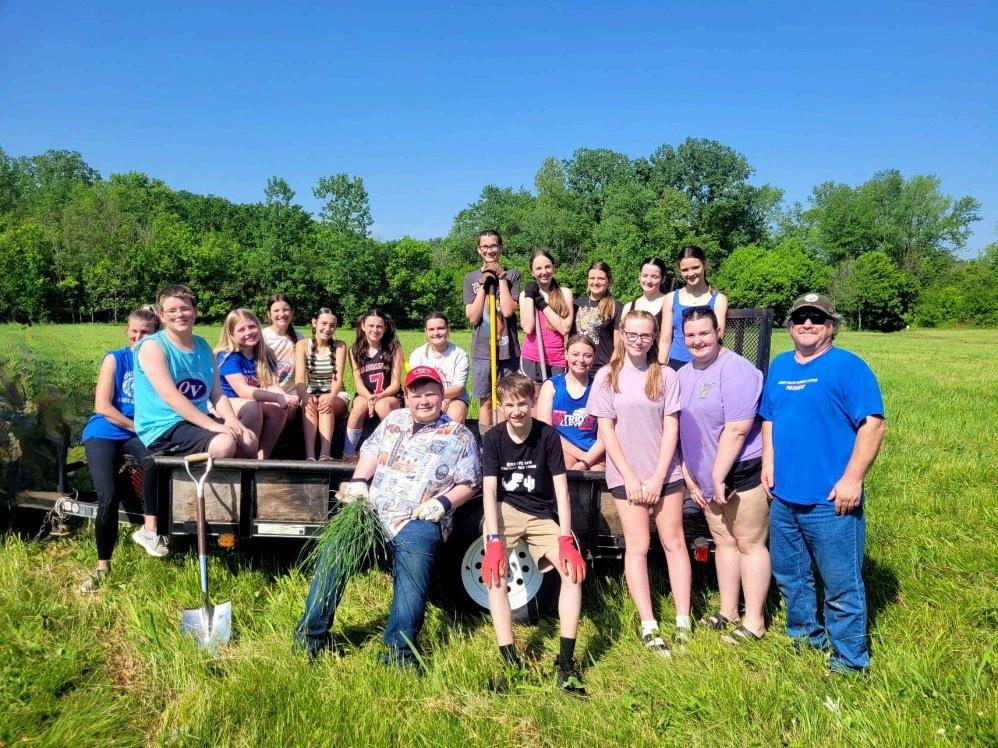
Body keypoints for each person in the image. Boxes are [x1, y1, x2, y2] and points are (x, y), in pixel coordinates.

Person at [296, 366, 481, 666]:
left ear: (442, 397)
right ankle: (310, 638)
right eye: (416, 394)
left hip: (418, 519)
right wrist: (359, 481)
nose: (423, 401)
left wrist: (444, 503)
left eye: (430, 394)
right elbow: (371, 451)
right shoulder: (394, 420)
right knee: (333, 552)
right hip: (373, 512)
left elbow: (470, 483)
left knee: (413, 571)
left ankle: (399, 652)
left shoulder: (460, 436)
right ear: (406, 396)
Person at [760, 293, 886, 674]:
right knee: (790, 576)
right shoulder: (780, 366)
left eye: (816, 318)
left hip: (831, 501)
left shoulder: (848, 367)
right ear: (790, 326)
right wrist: (769, 463)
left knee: (841, 584)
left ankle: (849, 660)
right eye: (800, 318)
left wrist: (852, 479)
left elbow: (873, 425)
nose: (807, 324)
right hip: (784, 498)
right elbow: (769, 418)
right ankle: (804, 638)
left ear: (832, 326)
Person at [586, 310, 692, 655]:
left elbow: (672, 428)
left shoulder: (666, 375)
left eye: (645, 335)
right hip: (625, 476)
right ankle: (649, 624)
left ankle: (683, 620)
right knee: (638, 546)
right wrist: (630, 477)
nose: (638, 341)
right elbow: (606, 431)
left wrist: (659, 477)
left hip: (665, 474)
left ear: (654, 337)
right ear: (621, 334)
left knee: (674, 543)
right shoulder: (607, 377)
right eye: (632, 334)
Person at [481, 373, 587, 693]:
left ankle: (565, 663)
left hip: (541, 513)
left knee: (572, 573)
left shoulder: (547, 436)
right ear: (500, 407)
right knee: (495, 576)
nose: (516, 411)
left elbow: (561, 491)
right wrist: (494, 541)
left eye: (522, 404)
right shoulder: (494, 438)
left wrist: (565, 539)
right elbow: (489, 492)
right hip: (506, 511)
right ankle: (510, 662)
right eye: (509, 405)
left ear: (532, 403)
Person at [677, 307, 769, 642]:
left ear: (719, 332)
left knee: (749, 543)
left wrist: (718, 477)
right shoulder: (683, 373)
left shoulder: (737, 370)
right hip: (704, 477)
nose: (697, 340)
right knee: (724, 542)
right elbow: (682, 428)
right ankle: (728, 610)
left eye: (704, 333)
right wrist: (689, 474)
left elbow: (738, 429)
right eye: (690, 335)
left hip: (739, 472)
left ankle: (755, 621)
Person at [78, 306, 165, 593]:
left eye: (145, 333)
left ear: (156, 335)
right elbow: (102, 406)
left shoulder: (160, 362)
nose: (138, 338)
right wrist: (138, 427)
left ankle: (150, 531)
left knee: (155, 461)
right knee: (108, 495)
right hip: (105, 430)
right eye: (134, 331)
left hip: (138, 431)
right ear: (127, 331)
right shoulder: (115, 359)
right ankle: (102, 566)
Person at [134, 285, 257, 460]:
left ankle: (240, 479)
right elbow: (170, 396)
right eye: (172, 311)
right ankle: (195, 478)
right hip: (163, 426)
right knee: (224, 444)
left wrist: (231, 419)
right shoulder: (153, 347)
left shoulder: (203, 346)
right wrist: (212, 426)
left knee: (248, 440)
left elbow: (217, 393)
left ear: (195, 312)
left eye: (185, 308)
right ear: (162, 316)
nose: (179, 314)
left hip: (196, 420)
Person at [216, 308, 299, 459]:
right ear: (231, 334)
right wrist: (277, 397)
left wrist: (285, 398)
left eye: (252, 327)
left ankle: (261, 459)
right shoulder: (228, 355)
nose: (248, 332)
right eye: (241, 329)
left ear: (259, 327)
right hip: (226, 401)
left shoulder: (266, 353)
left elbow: (271, 384)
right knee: (252, 407)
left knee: (278, 411)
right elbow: (243, 391)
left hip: (249, 400)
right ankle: (246, 457)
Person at [463, 230, 522, 427]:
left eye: (494, 245)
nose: (489, 250)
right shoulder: (470, 278)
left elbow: (507, 310)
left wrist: (501, 277)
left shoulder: (512, 275)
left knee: (507, 398)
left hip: (507, 350)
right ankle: (486, 439)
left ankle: (505, 439)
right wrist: (484, 284)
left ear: (500, 248)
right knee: (486, 400)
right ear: (479, 250)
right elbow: (473, 317)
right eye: (485, 246)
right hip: (482, 350)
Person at [536, 334, 605, 472]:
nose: (581, 360)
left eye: (587, 355)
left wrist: (586, 461)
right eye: (575, 354)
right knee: (564, 466)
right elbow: (546, 431)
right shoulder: (551, 386)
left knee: (597, 472)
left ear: (594, 357)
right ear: (566, 354)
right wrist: (582, 459)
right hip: (562, 448)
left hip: (593, 452)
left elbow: (605, 434)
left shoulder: (600, 388)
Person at [343, 309, 404, 457]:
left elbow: (395, 385)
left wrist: (378, 397)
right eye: (371, 325)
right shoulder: (354, 350)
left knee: (381, 406)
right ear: (363, 326)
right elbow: (358, 384)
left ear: (385, 328)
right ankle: (348, 453)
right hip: (366, 395)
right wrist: (369, 397)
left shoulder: (393, 348)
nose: (375, 330)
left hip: (390, 396)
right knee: (359, 405)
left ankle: (393, 451)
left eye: (379, 326)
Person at [659, 246, 728, 371]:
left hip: (706, 365)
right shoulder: (670, 298)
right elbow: (665, 340)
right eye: (685, 270)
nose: (690, 273)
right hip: (675, 364)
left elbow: (718, 339)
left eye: (695, 267)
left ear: (704, 265)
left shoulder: (718, 299)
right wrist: (661, 368)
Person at [294, 308, 348, 461]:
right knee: (310, 404)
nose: (327, 329)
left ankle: (325, 454)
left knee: (325, 404)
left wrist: (331, 396)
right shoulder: (302, 345)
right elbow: (299, 378)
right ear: (314, 323)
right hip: (312, 393)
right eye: (323, 324)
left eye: (332, 325)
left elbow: (338, 378)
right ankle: (310, 456)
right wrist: (304, 395)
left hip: (336, 394)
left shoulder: (340, 346)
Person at [519, 249, 573, 399]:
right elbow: (528, 327)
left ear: (553, 267)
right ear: (532, 272)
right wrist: (530, 297)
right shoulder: (525, 295)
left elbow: (564, 328)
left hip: (557, 358)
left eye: (547, 267)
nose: (544, 272)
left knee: (556, 400)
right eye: (538, 268)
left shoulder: (564, 293)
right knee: (534, 401)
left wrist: (543, 304)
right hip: (532, 357)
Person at [407, 311, 470, 423]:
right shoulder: (417, 355)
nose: (436, 333)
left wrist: (441, 400)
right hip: (425, 397)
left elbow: (458, 388)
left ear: (448, 329)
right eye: (431, 329)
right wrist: (434, 400)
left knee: (454, 416)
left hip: (454, 399)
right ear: (426, 331)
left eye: (441, 328)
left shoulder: (460, 355)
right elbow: (415, 387)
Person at [263, 294, 304, 457]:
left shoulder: (299, 337)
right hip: (268, 388)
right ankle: (273, 448)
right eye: (276, 311)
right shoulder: (263, 336)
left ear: (292, 312)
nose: (282, 314)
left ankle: (285, 448)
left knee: (294, 407)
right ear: (269, 314)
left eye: (286, 310)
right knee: (282, 406)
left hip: (292, 389)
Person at [572, 260, 623, 371]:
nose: (596, 282)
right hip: (577, 367)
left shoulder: (617, 307)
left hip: (601, 369)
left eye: (601, 278)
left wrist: (610, 369)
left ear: (609, 281)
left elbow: (619, 346)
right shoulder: (575, 304)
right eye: (592, 278)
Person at [621, 257, 669, 326]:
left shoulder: (670, 304)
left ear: (663, 279)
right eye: (645, 275)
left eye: (654, 277)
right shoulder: (628, 307)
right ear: (639, 276)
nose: (648, 281)